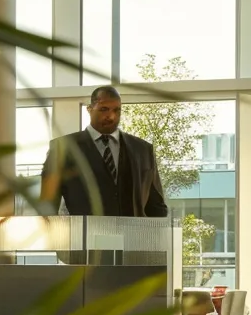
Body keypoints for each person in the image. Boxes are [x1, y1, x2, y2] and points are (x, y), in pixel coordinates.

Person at [40, 86, 168, 217]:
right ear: (89, 110)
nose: (111, 116)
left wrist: (160, 235)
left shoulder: (143, 150)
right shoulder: (63, 148)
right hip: (86, 235)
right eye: (104, 109)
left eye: (117, 110)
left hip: (134, 236)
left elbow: (157, 207)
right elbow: (47, 206)